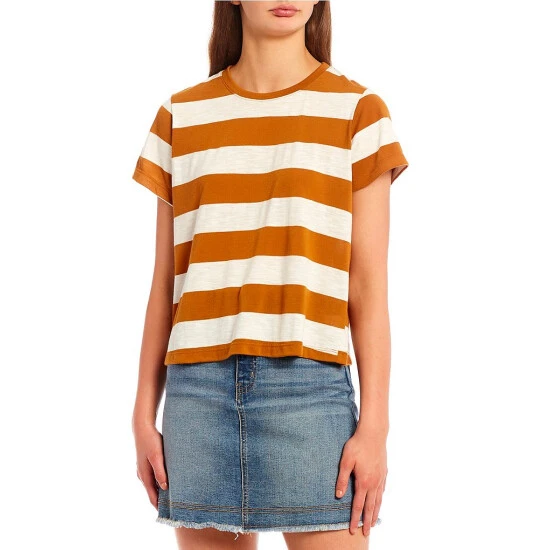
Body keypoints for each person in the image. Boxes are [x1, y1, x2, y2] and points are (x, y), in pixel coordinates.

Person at [131, 1, 409, 549]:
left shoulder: (358, 112)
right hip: (197, 398)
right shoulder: (181, 116)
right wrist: (143, 413)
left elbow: (367, 288)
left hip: (311, 395)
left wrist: (375, 424)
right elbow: (165, 284)